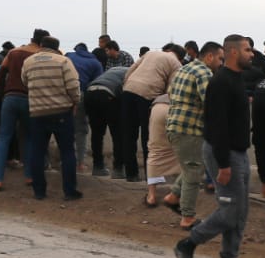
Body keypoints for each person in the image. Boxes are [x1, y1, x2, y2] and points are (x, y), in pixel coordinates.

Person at [173, 34, 258, 258]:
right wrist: (222, 165)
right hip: (225, 153)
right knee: (230, 211)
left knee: (240, 213)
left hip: (238, 152)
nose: (251, 53)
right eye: (247, 49)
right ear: (232, 52)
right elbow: (216, 125)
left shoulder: (236, 79)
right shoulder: (220, 82)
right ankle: (187, 244)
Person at [164, 41, 222, 229]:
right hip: (190, 128)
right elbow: (211, 102)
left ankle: (173, 196)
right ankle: (187, 217)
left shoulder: (184, 69)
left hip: (176, 125)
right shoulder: (204, 72)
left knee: (193, 166)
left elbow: (170, 93)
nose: (221, 63)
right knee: (193, 171)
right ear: (210, 56)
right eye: (220, 59)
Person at [21, 36, 82, 201]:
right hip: (61, 111)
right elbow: (73, 85)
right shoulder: (63, 61)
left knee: (37, 152)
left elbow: (25, 82)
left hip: (37, 113)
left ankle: (39, 191)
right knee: (67, 152)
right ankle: (69, 191)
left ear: (41, 46)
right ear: (57, 48)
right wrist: (75, 101)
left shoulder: (28, 62)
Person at [117, 44, 182, 181]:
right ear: (180, 57)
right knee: (150, 138)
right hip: (148, 95)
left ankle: (131, 174)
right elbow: (171, 90)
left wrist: (127, 87)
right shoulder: (176, 64)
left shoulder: (150, 53)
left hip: (128, 91)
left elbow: (130, 71)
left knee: (129, 135)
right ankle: (150, 176)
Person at [0, 29, 46, 190]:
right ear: (42, 43)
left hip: (10, 97)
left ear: (31, 39)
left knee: (4, 138)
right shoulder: (39, 55)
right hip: (28, 98)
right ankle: (29, 176)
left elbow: (1, 74)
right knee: (28, 138)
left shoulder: (13, 52)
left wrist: (3, 94)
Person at [84, 66, 128, 176]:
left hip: (90, 92)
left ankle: (97, 167)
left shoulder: (113, 70)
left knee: (97, 133)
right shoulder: (131, 73)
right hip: (108, 94)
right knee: (117, 134)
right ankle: (118, 169)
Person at [65, 42, 103, 169]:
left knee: (61, 128)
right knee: (81, 129)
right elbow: (97, 83)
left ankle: (65, 161)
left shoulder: (68, 56)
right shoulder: (95, 63)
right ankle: (79, 163)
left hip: (62, 94)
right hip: (81, 94)